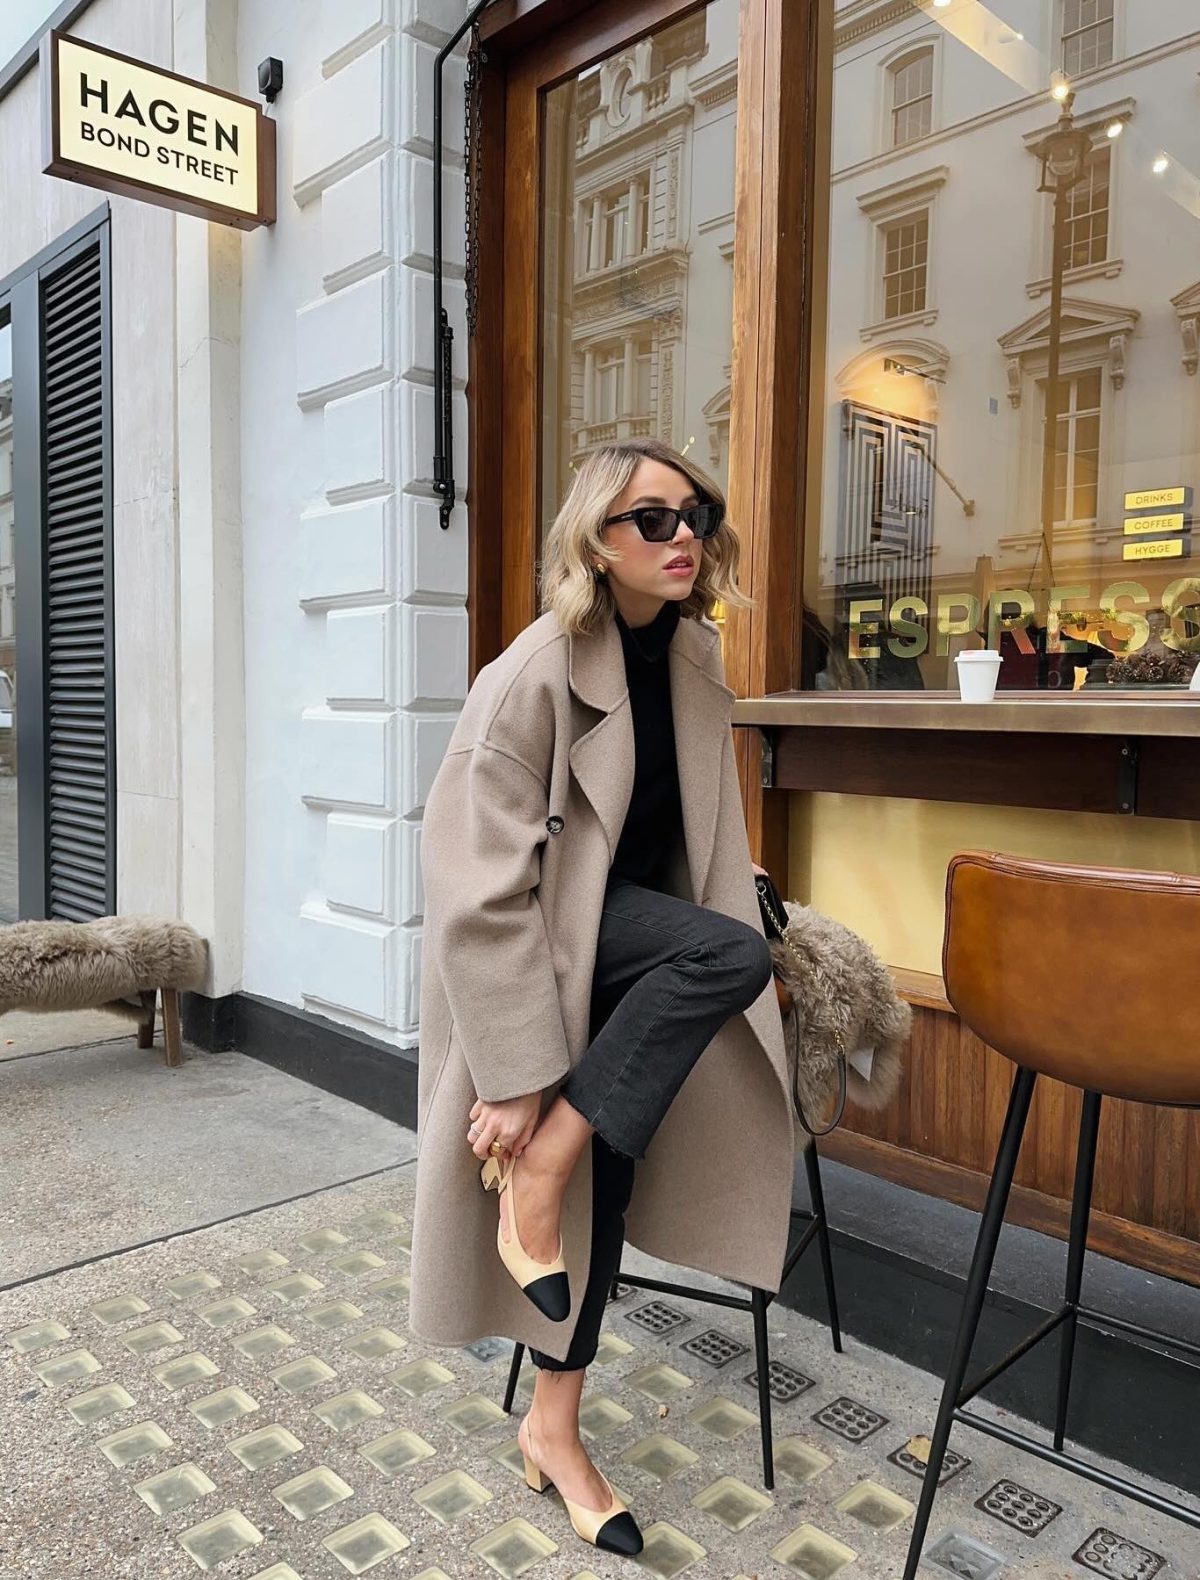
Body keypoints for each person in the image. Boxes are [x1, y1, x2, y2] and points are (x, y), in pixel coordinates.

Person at [409, 439, 796, 1559]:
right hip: (541, 956)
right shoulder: (529, 674)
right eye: (652, 521)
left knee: (605, 1191)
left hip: (628, 962)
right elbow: (475, 892)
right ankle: (544, 1158)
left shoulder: (689, 658)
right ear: (595, 541)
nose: (685, 539)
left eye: (697, 514)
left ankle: (554, 1425)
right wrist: (521, 1075)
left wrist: (752, 892)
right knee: (724, 960)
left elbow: (688, 833)